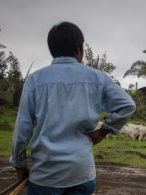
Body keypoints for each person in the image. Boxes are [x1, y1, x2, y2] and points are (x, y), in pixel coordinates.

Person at [10, 21, 136, 194]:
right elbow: (128, 105)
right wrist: (103, 131)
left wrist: (19, 164)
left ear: (52, 50)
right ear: (79, 50)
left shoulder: (35, 80)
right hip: (81, 174)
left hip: (45, 176)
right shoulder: (97, 78)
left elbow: (22, 129)